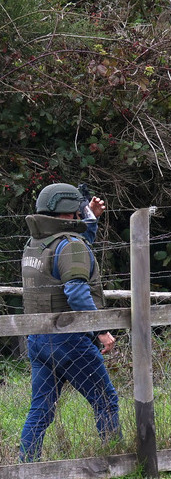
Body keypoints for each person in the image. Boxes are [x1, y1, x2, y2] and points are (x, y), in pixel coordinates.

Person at [19, 183, 120, 462]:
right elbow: (76, 292)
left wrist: (91, 218)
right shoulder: (70, 246)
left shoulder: (36, 244)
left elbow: (74, 248)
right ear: (69, 213)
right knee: (106, 401)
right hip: (70, 339)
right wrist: (100, 330)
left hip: (38, 339)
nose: (81, 212)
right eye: (78, 209)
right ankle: (115, 463)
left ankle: (26, 467)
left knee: (41, 410)